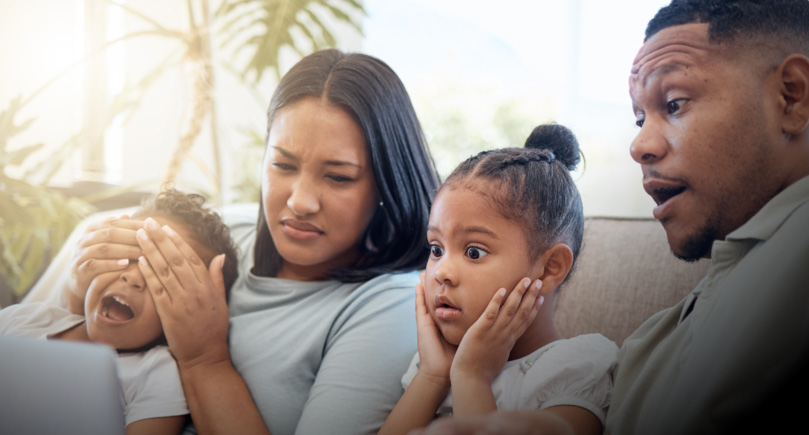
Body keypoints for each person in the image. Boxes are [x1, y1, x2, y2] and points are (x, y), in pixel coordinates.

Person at [412, 1, 809, 434]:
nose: (639, 145)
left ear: (791, 95)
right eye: (639, 118)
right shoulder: (683, 314)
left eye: (674, 104)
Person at [63, 49, 441, 435]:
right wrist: (76, 294)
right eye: (283, 165)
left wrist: (203, 359)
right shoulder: (222, 236)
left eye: (338, 177)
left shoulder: (389, 305)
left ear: (386, 183)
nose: (299, 202)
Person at [380, 124, 617, 435]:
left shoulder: (574, 369)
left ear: (549, 269)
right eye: (436, 249)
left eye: (474, 252)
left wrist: (471, 376)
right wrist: (433, 377)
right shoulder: (433, 363)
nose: (441, 273)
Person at [1, 188, 239, 435]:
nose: (133, 277)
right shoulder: (20, 319)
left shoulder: (155, 373)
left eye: (160, 274)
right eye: (130, 257)